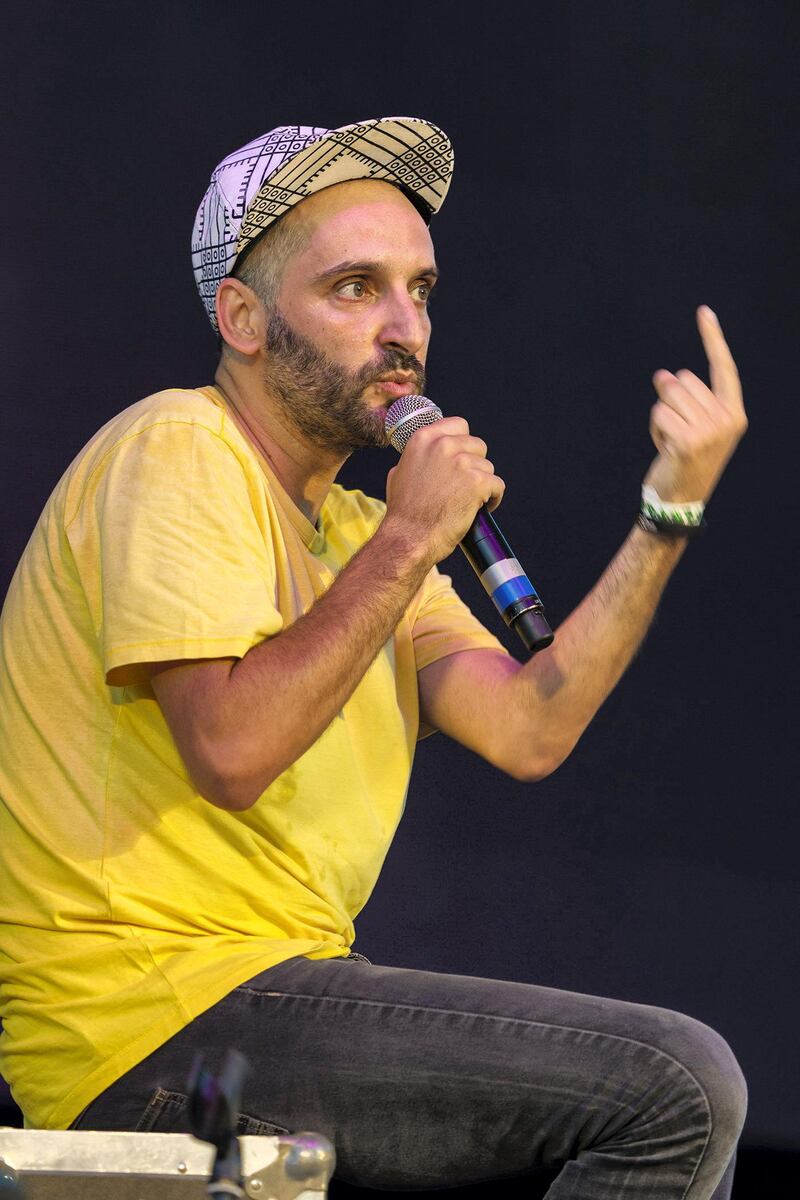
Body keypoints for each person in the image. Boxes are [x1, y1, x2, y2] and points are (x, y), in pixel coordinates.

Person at [0, 118, 748, 1197]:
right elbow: (230, 748)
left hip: (272, 1007)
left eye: (422, 290)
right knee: (672, 1083)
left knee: (662, 1112)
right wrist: (412, 537)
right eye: (355, 287)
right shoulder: (177, 450)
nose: (404, 328)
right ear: (243, 319)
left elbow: (529, 726)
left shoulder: (358, 534)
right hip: (150, 1026)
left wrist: (667, 507)